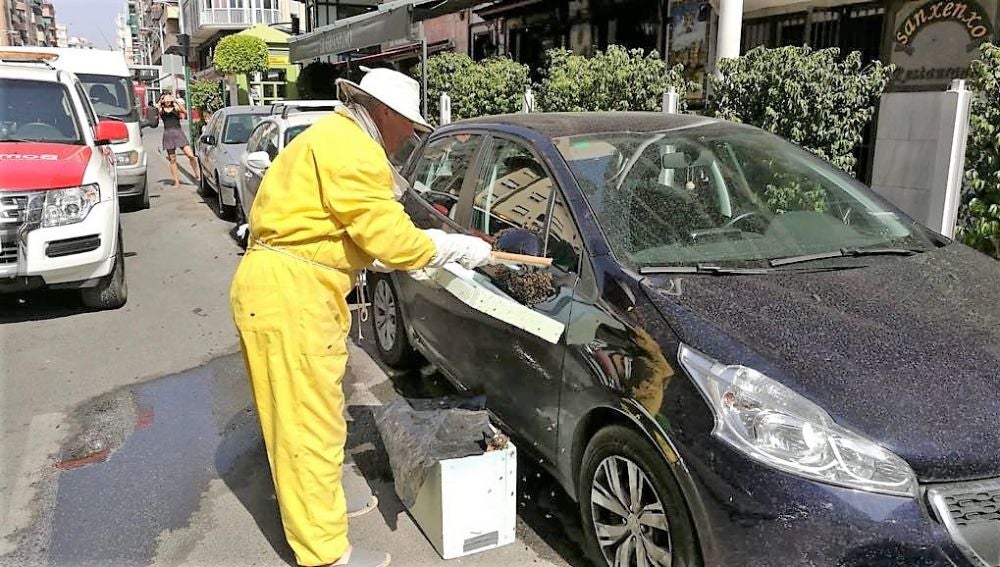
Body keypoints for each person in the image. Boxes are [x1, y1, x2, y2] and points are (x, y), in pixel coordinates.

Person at [229, 67, 492, 567]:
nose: (410, 136)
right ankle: (325, 555)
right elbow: (396, 244)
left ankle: (320, 515)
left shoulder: (331, 137)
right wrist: (459, 247)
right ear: (385, 113)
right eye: (408, 125)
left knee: (315, 418)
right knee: (306, 429)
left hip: (291, 288)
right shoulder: (353, 151)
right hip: (292, 297)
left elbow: (345, 233)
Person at [157, 93, 200, 189]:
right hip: (168, 134)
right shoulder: (162, 110)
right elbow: (157, 110)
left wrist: (176, 100)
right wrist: (161, 100)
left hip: (178, 132)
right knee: (172, 159)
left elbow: (185, 112)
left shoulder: (175, 107)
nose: (168, 101)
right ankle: (176, 181)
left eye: (169, 99)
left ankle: (197, 173)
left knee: (190, 155)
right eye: (166, 99)